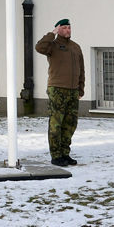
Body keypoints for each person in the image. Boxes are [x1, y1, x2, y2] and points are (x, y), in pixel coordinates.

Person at [35, 18, 84, 166]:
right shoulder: (52, 45)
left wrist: (80, 88)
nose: (67, 30)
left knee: (70, 123)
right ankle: (56, 155)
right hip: (57, 89)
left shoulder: (75, 47)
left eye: (69, 27)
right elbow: (39, 47)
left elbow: (81, 70)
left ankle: (65, 153)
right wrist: (52, 33)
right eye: (64, 28)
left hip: (73, 90)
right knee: (56, 123)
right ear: (58, 29)